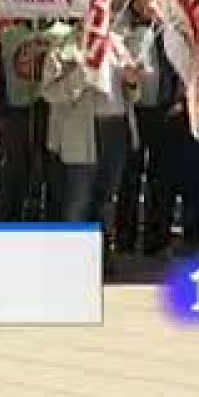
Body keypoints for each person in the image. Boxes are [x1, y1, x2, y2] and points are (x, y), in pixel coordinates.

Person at [114, 0, 192, 257]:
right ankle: (125, 235)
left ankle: (156, 237)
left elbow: (185, 65)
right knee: (130, 176)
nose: (150, 2)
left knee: (162, 178)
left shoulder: (169, 29)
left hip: (164, 110)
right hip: (134, 110)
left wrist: (179, 99)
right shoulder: (121, 28)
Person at [42, 21, 132, 236]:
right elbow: (50, 93)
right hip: (83, 133)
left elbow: (131, 93)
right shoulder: (63, 47)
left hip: (116, 129)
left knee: (108, 198)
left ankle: (102, 255)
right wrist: (82, 74)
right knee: (78, 201)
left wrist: (132, 82)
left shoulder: (116, 44)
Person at [0, 18, 70, 222]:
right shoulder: (6, 35)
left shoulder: (67, 34)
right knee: (16, 174)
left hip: (55, 113)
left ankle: (53, 229)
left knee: (55, 177)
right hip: (18, 112)